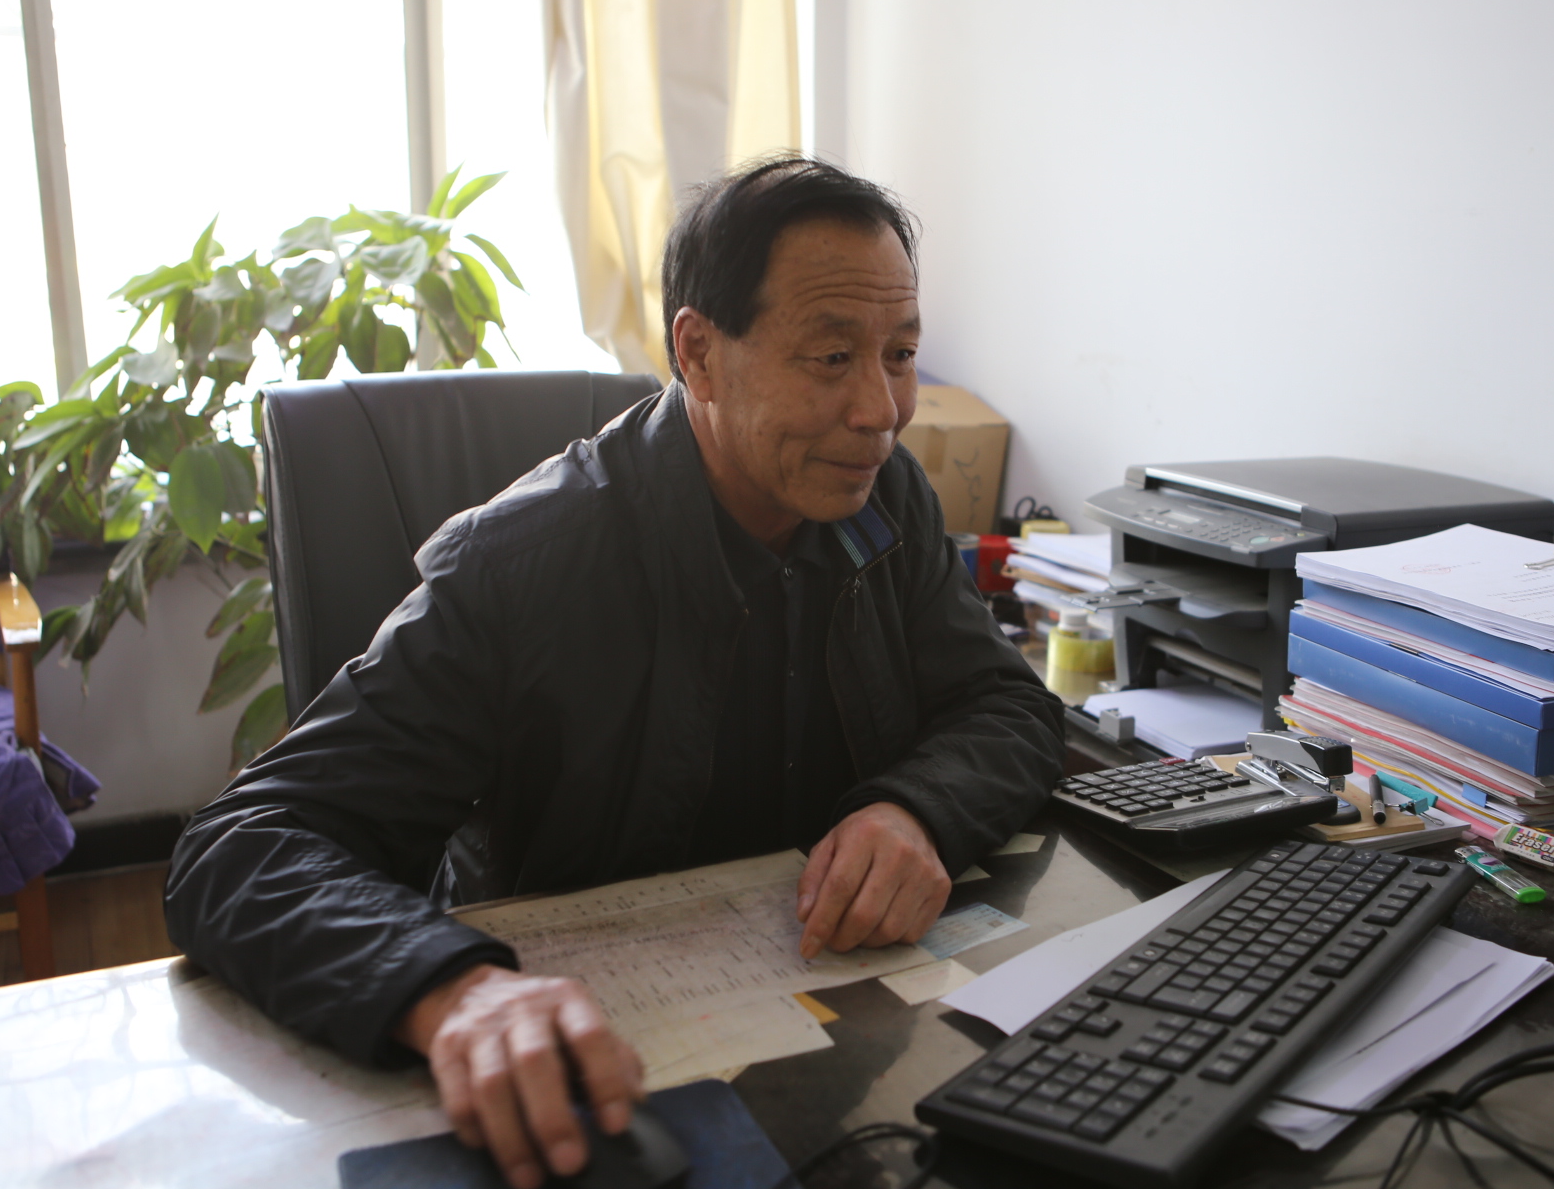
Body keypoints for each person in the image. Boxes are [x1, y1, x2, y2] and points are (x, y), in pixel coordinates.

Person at [164, 158, 1062, 1188]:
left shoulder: (883, 497)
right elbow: (242, 845)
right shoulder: (522, 565)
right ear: (699, 353)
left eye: (900, 353)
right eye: (830, 357)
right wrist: (454, 991)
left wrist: (915, 810)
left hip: (832, 1042)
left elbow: (1006, 703)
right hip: (590, 1070)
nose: (882, 408)